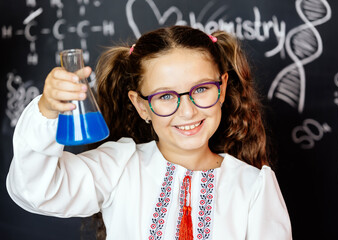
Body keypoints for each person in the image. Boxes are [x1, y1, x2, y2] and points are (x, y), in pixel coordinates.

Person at [6, 25, 292, 240]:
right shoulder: (118, 168)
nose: (188, 111)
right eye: (165, 96)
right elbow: (35, 189)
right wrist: (47, 108)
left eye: (201, 89)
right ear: (141, 106)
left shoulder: (254, 187)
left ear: (223, 88)